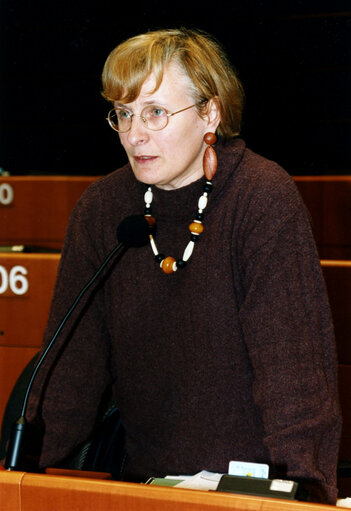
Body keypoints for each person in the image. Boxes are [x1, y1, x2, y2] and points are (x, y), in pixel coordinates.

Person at [23, 28, 340, 503]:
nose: (135, 134)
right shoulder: (103, 209)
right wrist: (18, 474)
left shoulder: (260, 198)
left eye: (155, 113)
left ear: (209, 112)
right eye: (124, 114)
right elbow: (68, 376)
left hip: (249, 492)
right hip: (146, 489)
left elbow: (295, 385)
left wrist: (303, 495)